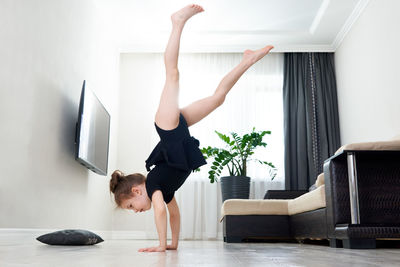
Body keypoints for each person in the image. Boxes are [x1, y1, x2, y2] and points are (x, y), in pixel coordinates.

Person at [109, 4, 274, 253]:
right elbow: (174, 214)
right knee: (218, 99)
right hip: (179, 131)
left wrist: (162, 246)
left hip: (168, 128)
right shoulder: (163, 191)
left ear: (136, 190)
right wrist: (174, 243)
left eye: (132, 206)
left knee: (172, 75)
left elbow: (162, 213)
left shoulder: (154, 187)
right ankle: (247, 60)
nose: (136, 212)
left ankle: (177, 22)